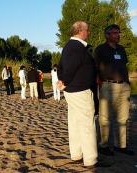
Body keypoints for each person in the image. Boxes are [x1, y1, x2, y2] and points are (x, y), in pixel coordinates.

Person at [57, 21, 109, 168]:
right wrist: (65, 81)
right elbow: (70, 68)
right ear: (80, 31)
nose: (89, 32)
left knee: (74, 124)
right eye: (87, 30)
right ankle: (91, 160)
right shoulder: (77, 47)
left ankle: (77, 155)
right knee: (87, 125)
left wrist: (63, 81)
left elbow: (60, 67)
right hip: (80, 91)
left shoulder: (68, 46)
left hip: (72, 92)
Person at [95, 24, 134, 156]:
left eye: (119, 32)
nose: (118, 35)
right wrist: (99, 84)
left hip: (124, 86)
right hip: (107, 86)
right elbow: (95, 69)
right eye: (115, 33)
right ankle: (104, 145)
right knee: (105, 117)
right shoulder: (100, 49)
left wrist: (128, 84)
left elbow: (124, 66)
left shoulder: (122, 49)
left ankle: (120, 146)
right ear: (107, 35)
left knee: (123, 117)